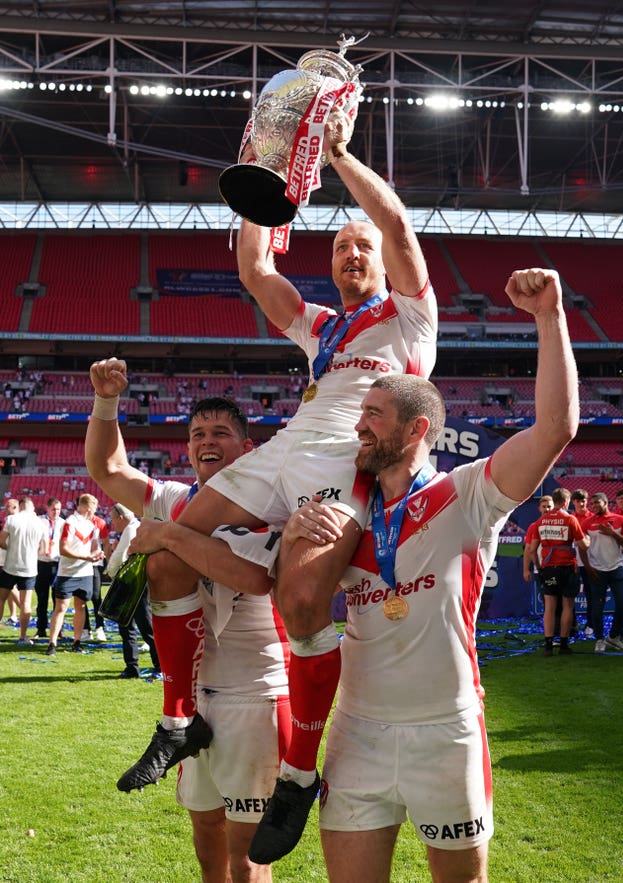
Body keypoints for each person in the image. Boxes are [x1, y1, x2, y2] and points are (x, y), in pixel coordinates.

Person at [104, 111, 438, 861]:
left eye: (363, 246)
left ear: (383, 263)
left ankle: (296, 773)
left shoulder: (413, 316)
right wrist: (262, 169)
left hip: (338, 465)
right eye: (341, 244)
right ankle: (176, 718)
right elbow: (256, 271)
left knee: (298, 598)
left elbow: (397, 221)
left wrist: (339, 153)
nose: (353, 249)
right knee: (166, 555)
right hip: (285, 448)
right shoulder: (324, 328)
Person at [281, 267, 579, 881]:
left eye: (374, 415)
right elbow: (295, 606)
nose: (357, 425)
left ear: (418, 429)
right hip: (356, 732)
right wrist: (289, 540)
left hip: (446, 733)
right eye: (360, 412)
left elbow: (554, 431)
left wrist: (549, 318)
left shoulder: (468, 495)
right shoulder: (345, 512)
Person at [86, 387, 290, 883]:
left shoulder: (273, 501)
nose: (207, 441)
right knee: (206, 835)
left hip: (257, 694)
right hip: (199, 699)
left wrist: (169, 535)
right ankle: (176, 723)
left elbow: (253, 578)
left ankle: (174, 723)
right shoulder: (177, 498)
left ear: (246, 447)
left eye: (222, 432)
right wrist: (105, 402)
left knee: (247, 856)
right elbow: (108, 470)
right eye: (198, 433)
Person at [527, 487, 589, 656]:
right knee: (567, 605)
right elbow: (583, 545)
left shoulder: (540, 521)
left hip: (547, 568)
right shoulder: (570, 519)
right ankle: (563, 645)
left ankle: (548, 645)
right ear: (566, 502)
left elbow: (532, 550)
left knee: (549, 607)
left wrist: (540, 568)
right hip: (567, 567)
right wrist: (588, 540)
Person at [104, 503, 160, 679]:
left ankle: (144, 665)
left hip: (131, 584)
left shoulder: (131, 529)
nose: (113, 524)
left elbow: (120, 557)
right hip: (134, 583)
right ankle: (142, 665)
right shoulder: (134, 528)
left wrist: (110, 572)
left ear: (121, 516)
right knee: (132, 626)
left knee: (141, 627)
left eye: (113, 519)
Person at [46, 494, 104, 656]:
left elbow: (93, 546)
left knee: (81, 606)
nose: (95, 511)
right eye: (94, 507)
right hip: (68, 572)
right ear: (88, 507)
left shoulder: (92, 526)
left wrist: (97, 553)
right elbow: (63, 549)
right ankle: (52, 643)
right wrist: (87, 557)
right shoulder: (69, 523)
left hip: (85, 572)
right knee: (61, 607)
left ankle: (77, 641)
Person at [579, 492, 623, 654]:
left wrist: (613, 533)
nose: (594, 506)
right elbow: (582, 546)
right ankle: (599, 639)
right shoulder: (587, 523)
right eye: (592, 504)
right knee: (597, 606)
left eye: (597, 503)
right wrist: (588, 567)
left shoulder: (619, 520)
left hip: (617, 567)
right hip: (597, 570)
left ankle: (614, 637)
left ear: (605, 502)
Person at [0, 496, 48, 644]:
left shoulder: (12, 520)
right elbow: (45, 549)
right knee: (25, 603)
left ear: (20, 507)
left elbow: (1, 541)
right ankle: (22, 636)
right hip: (29, 568)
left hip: (10, 566)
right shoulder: (41, 523)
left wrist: (10, 548)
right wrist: (33, 554)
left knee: (1, 599)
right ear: (32, 507)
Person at [33, 497, 65, 639]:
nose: (56, 512)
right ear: (47, 508)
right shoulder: (40, 521)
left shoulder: (64, 523)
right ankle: (41, 629)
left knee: (59, 599)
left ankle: (59, 630)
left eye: (58, 509)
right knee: (42, 598)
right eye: (53, 509)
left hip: (58, 563)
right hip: (42, 563)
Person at [83, 494, 110, 642]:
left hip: (95, 564)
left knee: (96, 596)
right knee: (82, 597)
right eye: (92, 506)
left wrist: (106, 558)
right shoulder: (77, 522)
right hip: (80, 563)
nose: (94, 510)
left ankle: (100, 628)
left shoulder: (100, 522)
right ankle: (85, 629)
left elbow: (105, 542)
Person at [570, 488, 594, 634]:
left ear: (587, 501)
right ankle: (572, 624)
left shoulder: (592, 517)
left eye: (583, 500)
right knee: (570, 594)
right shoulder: (569, 518)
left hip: (589, 562)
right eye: (578, 501)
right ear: (573, 502)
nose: (581, 503)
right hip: (572, 562)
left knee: (590, 593)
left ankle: (590, 623)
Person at [0, 497, 21, 625]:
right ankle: (13, 615)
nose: (6, 508)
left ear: (14, 507)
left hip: (7, 559)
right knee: (8, 588)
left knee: (9, 586)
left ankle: (24, 610)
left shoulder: (12, 520)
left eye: (8, 506)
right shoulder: (11, 519)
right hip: (8, 558)